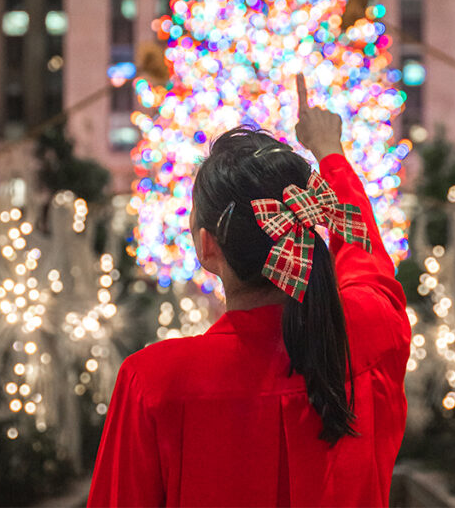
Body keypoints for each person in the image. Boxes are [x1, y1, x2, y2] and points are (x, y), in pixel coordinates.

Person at [87, 74, 411, 507]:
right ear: (310, 221)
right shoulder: (372, 336)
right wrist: (330, 152)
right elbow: (365, 258)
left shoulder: (154, 384)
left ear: (207, 247)